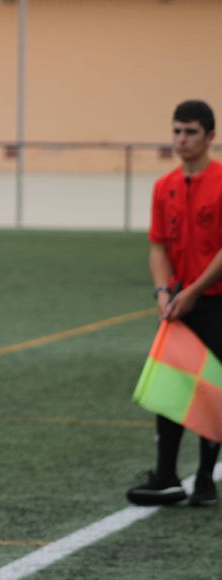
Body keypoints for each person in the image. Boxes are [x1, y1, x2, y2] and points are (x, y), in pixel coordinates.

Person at [127, 99, 222, 507]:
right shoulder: (163, 186)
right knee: (171, 387)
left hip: (214, 302)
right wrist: (163, 292)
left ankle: (205, 479)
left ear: (210, 136)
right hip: (178, 304)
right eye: (177, 132)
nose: (181, 140)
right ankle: (166, 475)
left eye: (190, 132)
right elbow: (157, 246)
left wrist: (194, 291)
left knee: (212, 389)